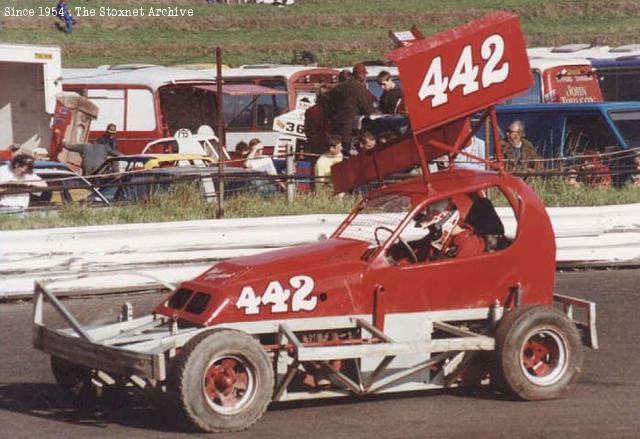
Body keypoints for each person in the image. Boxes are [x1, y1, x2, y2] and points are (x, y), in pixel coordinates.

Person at [411, 199, 485, 261]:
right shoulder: (439, 238)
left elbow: (455, 275)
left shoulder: (469, 245)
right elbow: (419, 248)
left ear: (444, 222)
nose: (430, 230)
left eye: (433, 226)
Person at [326, 63, 374, 156]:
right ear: (362, 76)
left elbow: (327, 102)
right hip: (350, 131)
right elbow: (368, 110)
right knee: (346, 158)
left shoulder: (339, 88)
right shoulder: (360, 90)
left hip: (334, 129)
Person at [304, 85, 331, 160]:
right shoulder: (332, 111)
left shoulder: (310, 111)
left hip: (314, 144)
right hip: (329, 144)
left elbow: (307, 129)